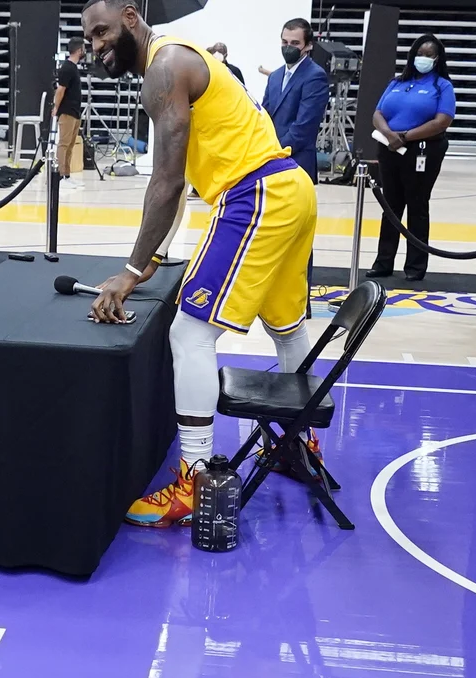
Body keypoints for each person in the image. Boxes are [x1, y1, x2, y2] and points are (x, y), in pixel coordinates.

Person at [80, 0, 318, 527]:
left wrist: (130, 267)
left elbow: (164, 182)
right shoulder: (181, 61)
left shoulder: (163, 70)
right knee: (285, 325)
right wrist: (153, 259)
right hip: (292, 187)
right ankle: (301, 444)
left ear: (130, 16)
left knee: (189, 333)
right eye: (89, 39)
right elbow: (187, 173)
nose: (96, 47)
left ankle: (194, 479)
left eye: (102, 32)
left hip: (255, 194)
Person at [369, 34, 455, 283]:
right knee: (391, 206)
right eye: (420, 53)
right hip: (389, 148)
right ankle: (383, 262)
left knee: (417, 206)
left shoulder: (442, 86)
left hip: (422, 151)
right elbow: (377, 112)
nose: (423, 59)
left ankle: (415, 266)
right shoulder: (397, 82)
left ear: (437, 59)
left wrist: (405, 136)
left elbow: (442, 121)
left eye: (429, 55)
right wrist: (389, 134)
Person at [261, 18, 329, 179]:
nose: (288, 47)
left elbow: (304, 126)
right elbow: (264, 116)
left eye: (295, 43)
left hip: (297, 163)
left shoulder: (315, 76)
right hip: (269, 161)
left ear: (309, 45)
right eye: (284, 42)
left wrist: (275, 152)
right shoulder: (275, 76)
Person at [54, 39, 87, 180]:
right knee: (64, 143)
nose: (85, 51)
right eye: (84, 48)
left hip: (75, 111)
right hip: (67, 111)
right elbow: (60, 90)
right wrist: (56, 107)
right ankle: (60, 174)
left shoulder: (73, 68)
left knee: (70, 145)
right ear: (79, 50)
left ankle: (66, 174)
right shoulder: (67, 68)